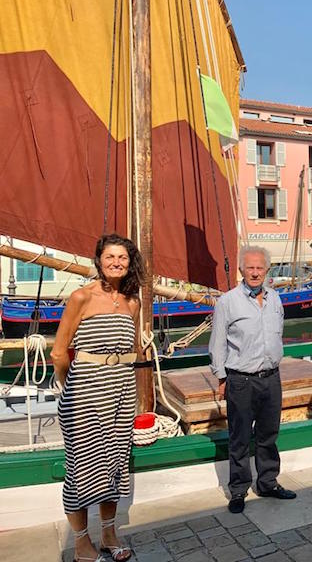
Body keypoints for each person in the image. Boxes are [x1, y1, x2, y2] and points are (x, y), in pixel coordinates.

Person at [52, 234, 143, 562]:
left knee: (116, 466)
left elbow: (132, 350)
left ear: (130, 262)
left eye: (123, 257)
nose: (116, 263)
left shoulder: (133, 301)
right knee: (81, 469)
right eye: (110, 257)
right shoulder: (81, 297)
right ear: (99, 260)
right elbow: (59, 353)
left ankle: (108, 535)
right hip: (83, 396)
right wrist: (72, 388)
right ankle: (80, 543)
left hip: (121, 393)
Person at [209, 246, 296, 514]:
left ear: (267, 270)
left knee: (269, 434)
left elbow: (277, 334)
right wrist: (221, 377)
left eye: (259, 268)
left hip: (271, 378)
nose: (255, 272)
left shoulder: (275, 299)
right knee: (239, 437)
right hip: (241, 380)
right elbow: (217, 344)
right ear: (241, 270)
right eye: (250, 268)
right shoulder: (227, 302)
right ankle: (238, 490)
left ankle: (267, 482)